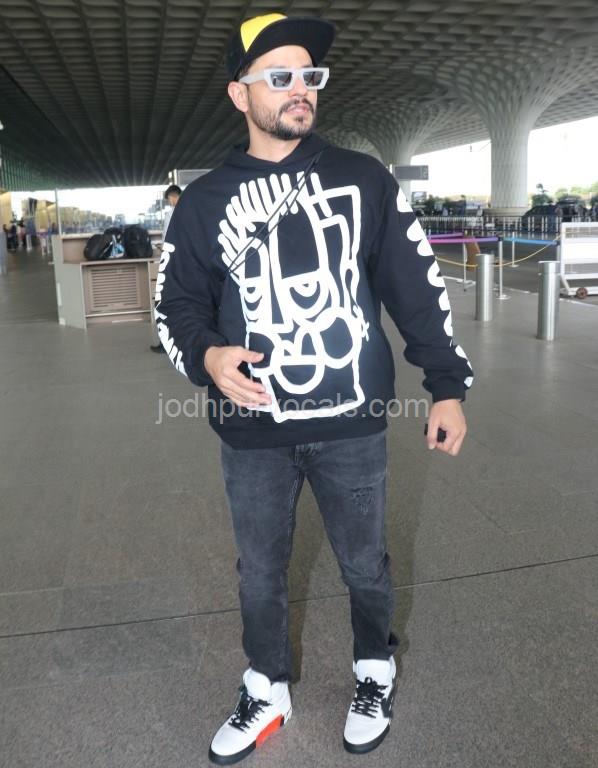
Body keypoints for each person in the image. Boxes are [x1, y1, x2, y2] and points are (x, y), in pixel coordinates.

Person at [155, 13, 473, 764]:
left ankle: (374, 669)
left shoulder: (363, 179)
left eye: (310, 76)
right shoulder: (204, 202)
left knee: (366, 563)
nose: (300, 89)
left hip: (351, 424)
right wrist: (207, 357)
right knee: (259, 572)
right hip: (252, 431)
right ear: (241, 94)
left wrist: (447, 385)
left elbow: (415, 287)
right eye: (281, 77)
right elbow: (175, 306)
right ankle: (266, 686)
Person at [150, 184, 182, 353]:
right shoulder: (182, 211)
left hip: (176, 264)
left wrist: (165, 248)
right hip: (175, 262)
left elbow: (174, 239)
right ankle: (169, 342)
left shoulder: (180, 212)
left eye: (171, 198)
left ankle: (168, 343)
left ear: (175, 196)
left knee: (167, 303)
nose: (170, 202)